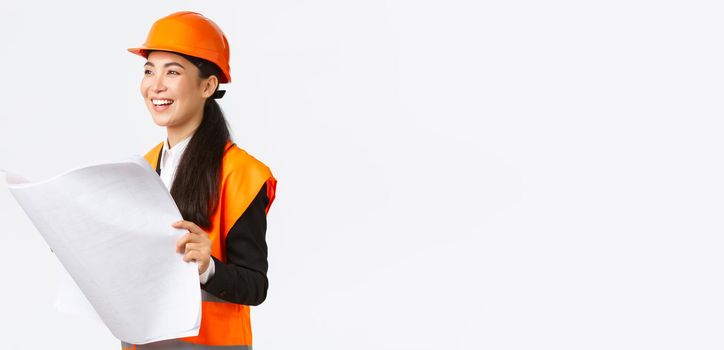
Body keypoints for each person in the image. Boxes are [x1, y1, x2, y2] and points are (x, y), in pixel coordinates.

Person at [122, 11, 277, 349]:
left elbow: (255, 286)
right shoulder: (142, 169)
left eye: (172, 72)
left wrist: (208, 267)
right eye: (149, 71)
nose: (155, 85)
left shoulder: (242, 174)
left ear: (207, 85)